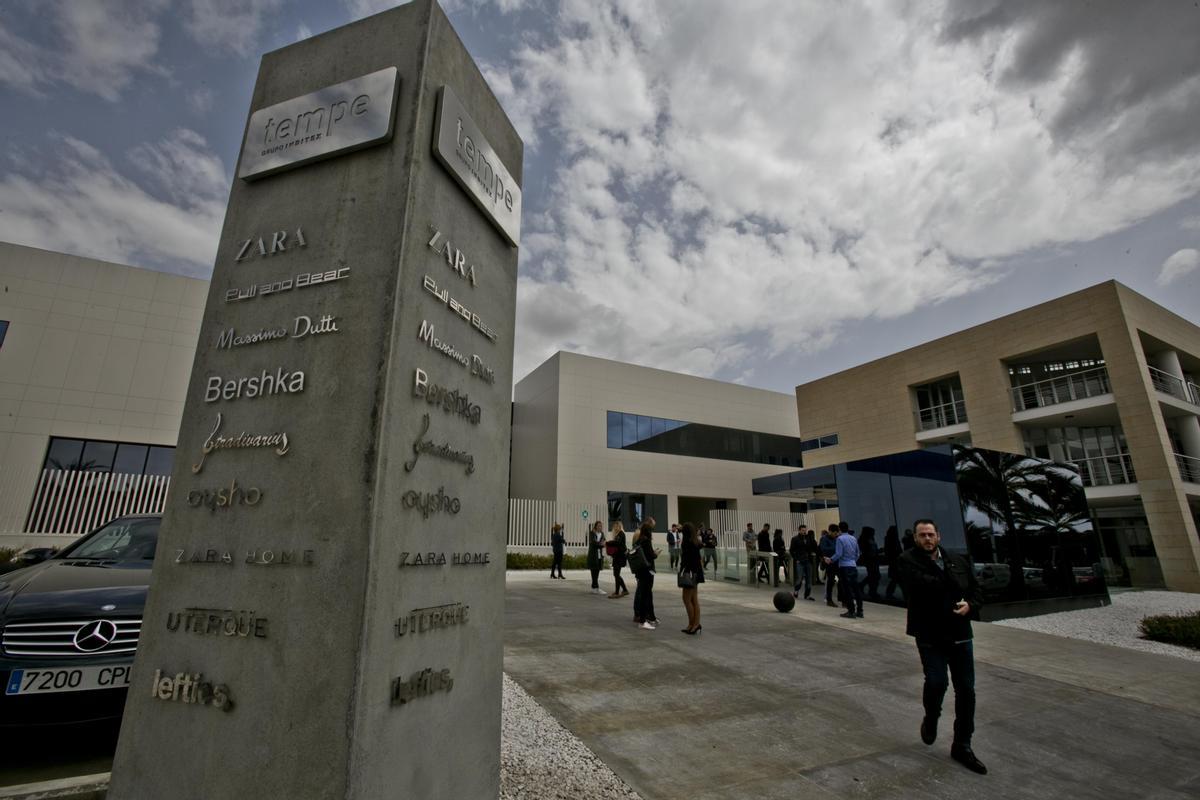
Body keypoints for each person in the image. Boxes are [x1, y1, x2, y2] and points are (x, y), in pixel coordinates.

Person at [896, 519, 987, 775]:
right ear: (915, 538)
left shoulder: (958, 561)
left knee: (966, 690)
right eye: (922, 535)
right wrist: (952, 585)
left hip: (960, 634)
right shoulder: (907, 561)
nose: (927, 538)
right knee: (937, 682)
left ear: (939, 536)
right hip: (930, 634)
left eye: (931, 534)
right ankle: (932, 715)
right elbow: (921, 587)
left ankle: (962, 744)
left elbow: (976, 590)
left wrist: (971, 605)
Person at [831, 521, 862, 618]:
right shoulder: (853, 538)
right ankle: (860, 610)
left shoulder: (839, 539)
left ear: (839, 529)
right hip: (853, 565)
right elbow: (857, 553)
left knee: (847, 590)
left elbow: (839, 554)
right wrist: (853, 561)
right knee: (856, 589)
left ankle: (851, 610)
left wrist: (831, 559)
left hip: (844, 566)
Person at [631, 522, 660, 629]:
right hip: (647, 571)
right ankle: (643, 621)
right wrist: (655, 554)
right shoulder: (646, 541)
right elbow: (650, 556)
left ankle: (646, 618)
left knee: (644, 594)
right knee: (645, 594)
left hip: (640, 570)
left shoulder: (639, 540)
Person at [678, 523, 705, 634]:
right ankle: (694, 624)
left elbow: (687, 560)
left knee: (686, 599)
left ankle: (693, 624)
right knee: (694, 599)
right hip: (696, 572)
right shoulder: (695, 542)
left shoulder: (687, 543)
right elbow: (698, 559)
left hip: (690, 572)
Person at [789, 524, 815, 600]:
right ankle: (796, 591)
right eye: (803, 530)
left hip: (808, 561)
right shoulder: (795, 539)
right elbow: (791, 550)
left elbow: (812, 547)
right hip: (800, 561)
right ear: (799, 530)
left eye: (805, 530)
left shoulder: (809, 538)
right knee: (799, 578)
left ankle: (807, 595)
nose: (804, 532)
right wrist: (796, 559)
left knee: (809, 579)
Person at [858, 525, 881, 600]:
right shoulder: (863, 540)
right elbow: (864, 550)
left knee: (875, 576)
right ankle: (871, 591)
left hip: (874, 559)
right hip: (869, 560)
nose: (873, 534)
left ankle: (867, 588)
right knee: (873, 575)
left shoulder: (871, 538)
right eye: (872, 532)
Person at [819, 525, 839, 606]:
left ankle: (842, 598)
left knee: (841, 580)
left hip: (836, 561)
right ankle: (829, 599)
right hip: (829, 562)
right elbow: (823, 549)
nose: (836, 535)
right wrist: (836, 549)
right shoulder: (824, 539)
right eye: (834, 533)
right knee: (830, 581)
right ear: (830, 531)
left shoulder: (837, 538)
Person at [608, 522, 629, 598]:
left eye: (618, 526)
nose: (616, 528)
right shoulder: (617, 535)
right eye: (615, 526)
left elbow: (617, 543)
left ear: (620, 527)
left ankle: (618, 592)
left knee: (616, 574)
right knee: (616, 574)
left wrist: (608, 543)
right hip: (617, 557)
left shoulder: (621, 534)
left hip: (620, 557)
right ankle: (624, 590)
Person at [586, 520, 605, 594]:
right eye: (599, 525)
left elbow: (604, 541)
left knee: (597, 571)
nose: (600, 527)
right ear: (596, 526)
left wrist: (601, 543)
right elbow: (594, 543)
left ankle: (594, 587)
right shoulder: (592, 533)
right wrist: (601, 544)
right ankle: (595, 587)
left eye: (601, 525)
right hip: (593, 555)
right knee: (593, 571)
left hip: (599, 555)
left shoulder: (602, 533)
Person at [883, 525, 903, 600]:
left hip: (894, 562)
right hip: (895, 562)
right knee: (897, 579)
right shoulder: (892, 539)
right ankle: (889, 593)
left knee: (895, 579)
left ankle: (889, 593)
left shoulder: (888, 539)